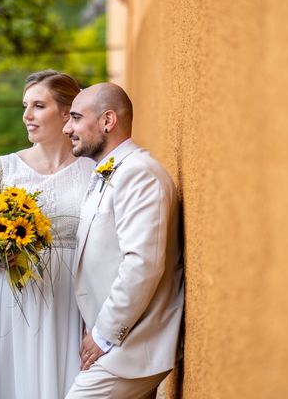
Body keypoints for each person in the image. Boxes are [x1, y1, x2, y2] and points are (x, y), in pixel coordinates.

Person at [0, 70, 95, 399]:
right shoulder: (3, 168)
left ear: (67, 112)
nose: (27, 116)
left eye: (39, 106)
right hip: (5, 299)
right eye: (25, 106)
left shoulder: (93, 171)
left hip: (67, 300)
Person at [62, 83, 184, 398]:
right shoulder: (108, 173)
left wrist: (103, 335)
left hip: (131, 348)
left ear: (108, 121)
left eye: (75, 118)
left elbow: (142, 264)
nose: (67, 128)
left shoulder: (138, 174)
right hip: (118, 344)